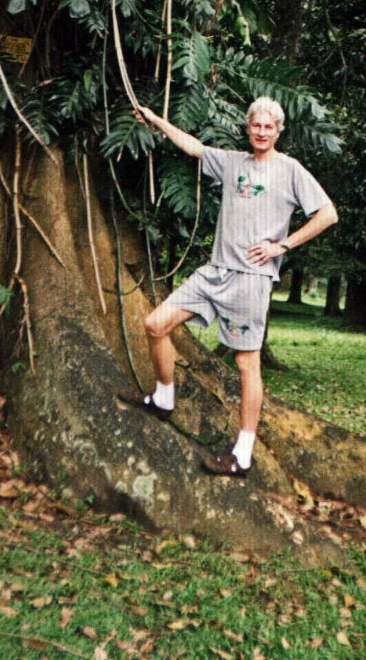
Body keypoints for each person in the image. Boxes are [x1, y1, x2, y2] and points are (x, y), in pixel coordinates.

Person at [117, 96, 338, 477]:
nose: (262, 132)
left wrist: (281, 245)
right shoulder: (233, 162)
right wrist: (155, 119)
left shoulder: (290, 170)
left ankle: (243, 455)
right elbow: (194, 146)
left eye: (269, 127)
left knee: (245, 363)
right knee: (155, 324)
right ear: (248, 127)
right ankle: (164, 398)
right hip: (215, 271)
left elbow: (328, 214)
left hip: (251, 280)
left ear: (278, 131)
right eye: (257, 125)